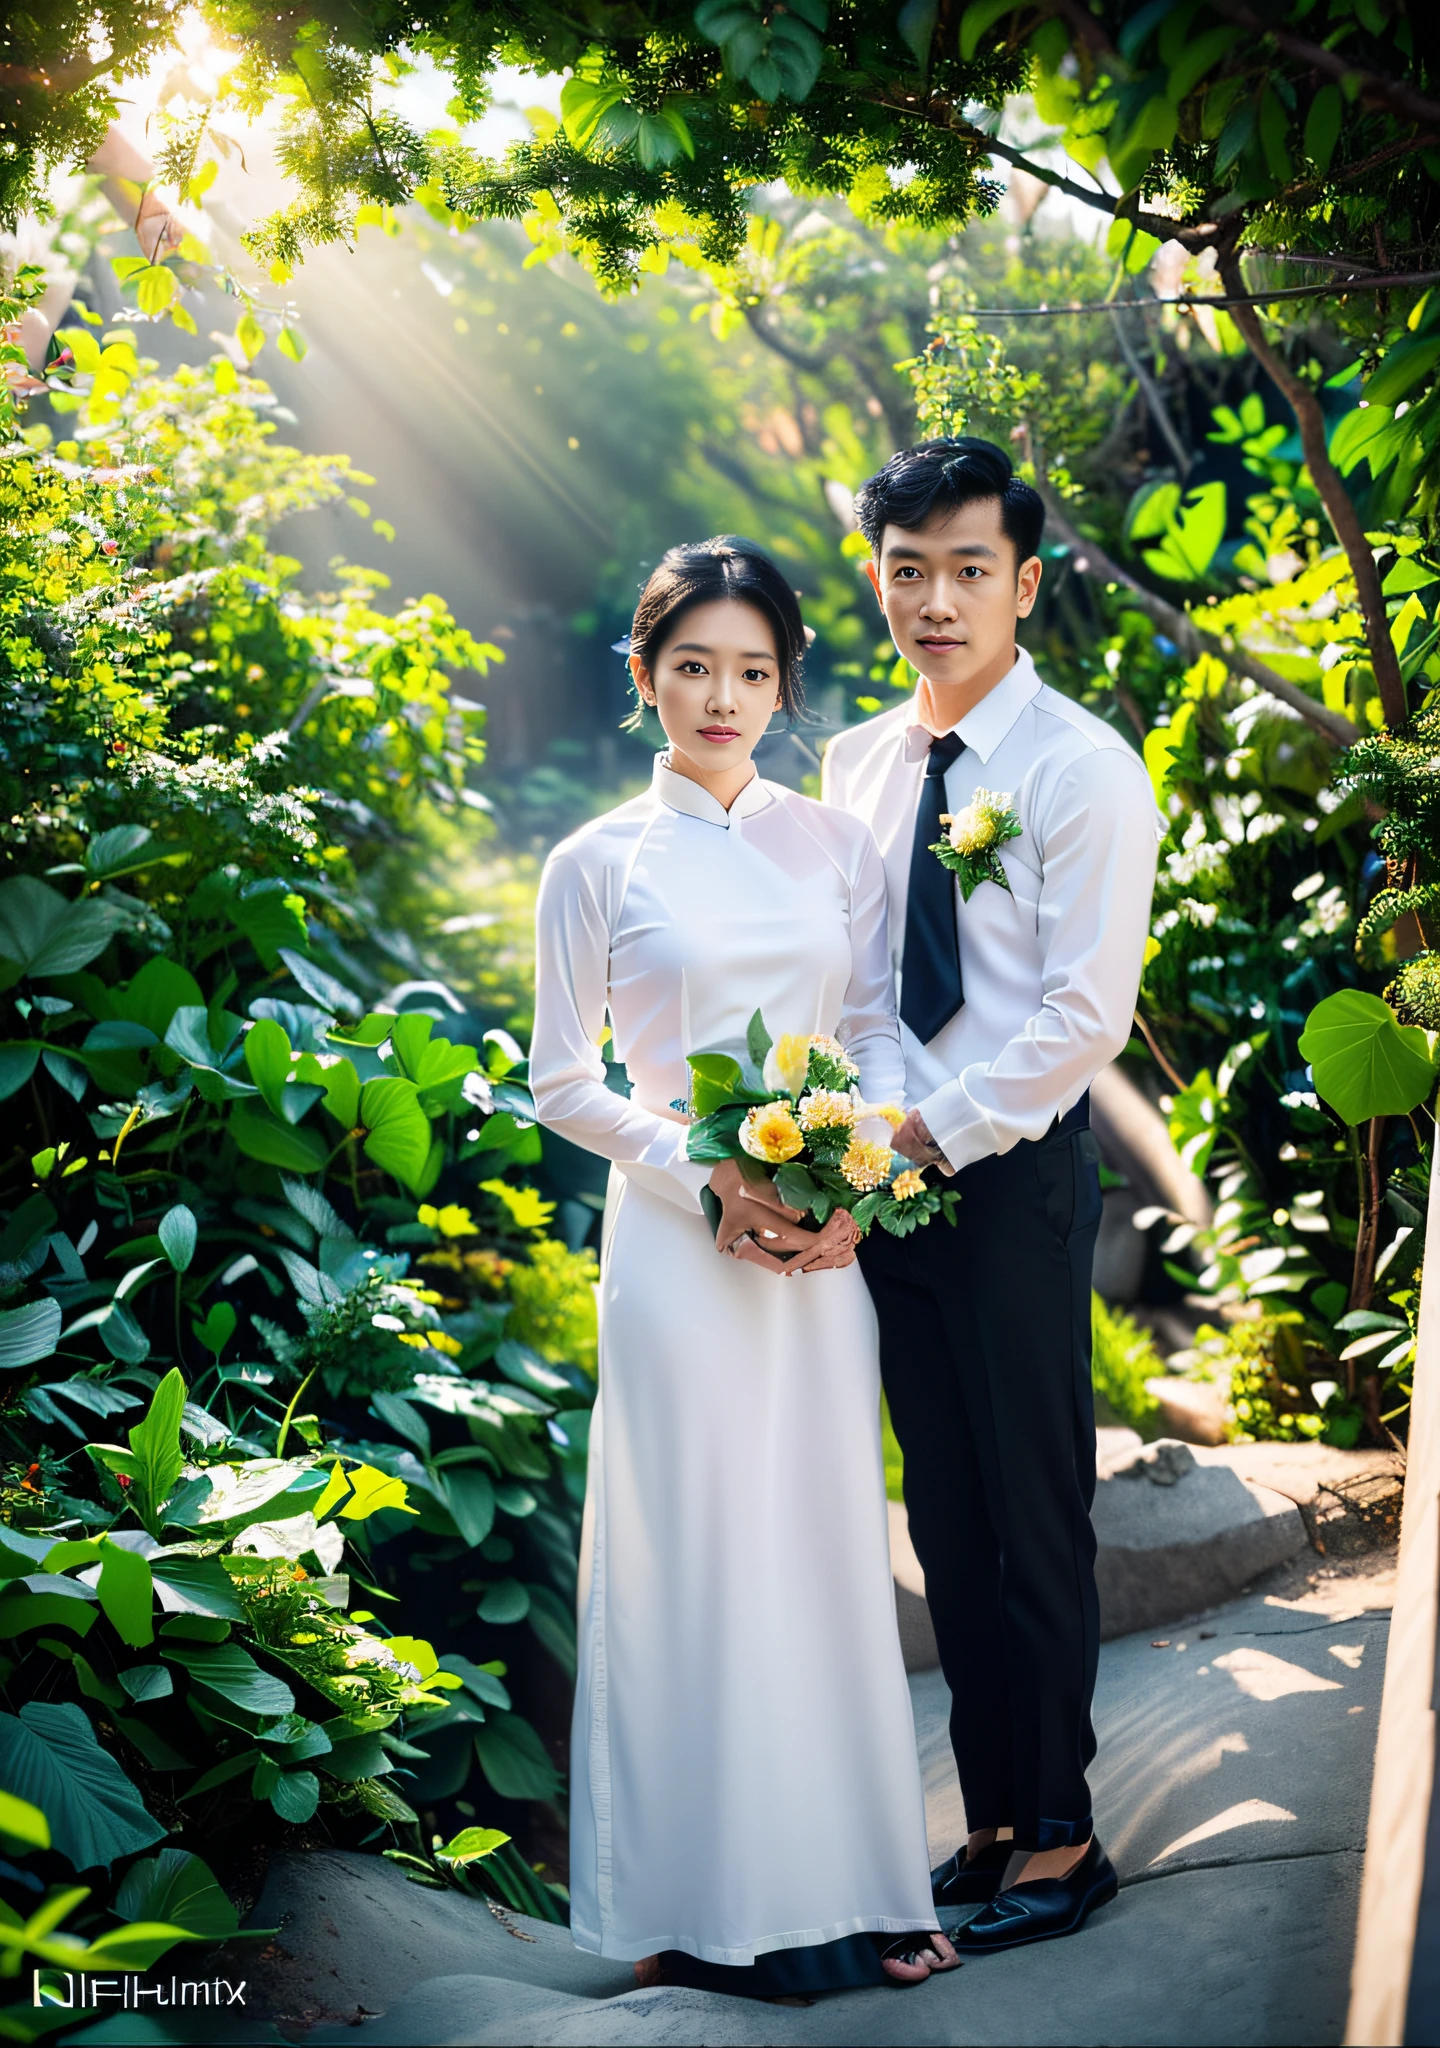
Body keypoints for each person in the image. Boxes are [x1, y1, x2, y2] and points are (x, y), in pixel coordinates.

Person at [529, 538, 958, 1998]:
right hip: (675, 1257)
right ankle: (680, 1909)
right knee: (689, 1563)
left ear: (785, 686)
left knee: (826, 1556)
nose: (724, 697)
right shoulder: (595, 861)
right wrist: (698, 1166)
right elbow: (560, 1086)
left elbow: (883, 1032)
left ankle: (864, 1890)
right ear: (646, 676)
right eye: (694, 666)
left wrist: (867, 1175)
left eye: (754, 671)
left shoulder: (835, 844)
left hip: (818, 1257)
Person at [823, 438, 1161, 1954]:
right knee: (948, 1522)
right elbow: (865, 981)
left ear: (1025, 583)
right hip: (897, 1183)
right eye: (908, 568)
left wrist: (931, 1131)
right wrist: (886, 1114)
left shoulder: (1081, 767)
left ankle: (1066, 1836)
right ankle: (993, 1819)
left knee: (1036, 1511)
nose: (935, 600)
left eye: (969, 569)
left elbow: (1080, 1017)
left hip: (1014, 1176)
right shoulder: (856, 765)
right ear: (876, 576)